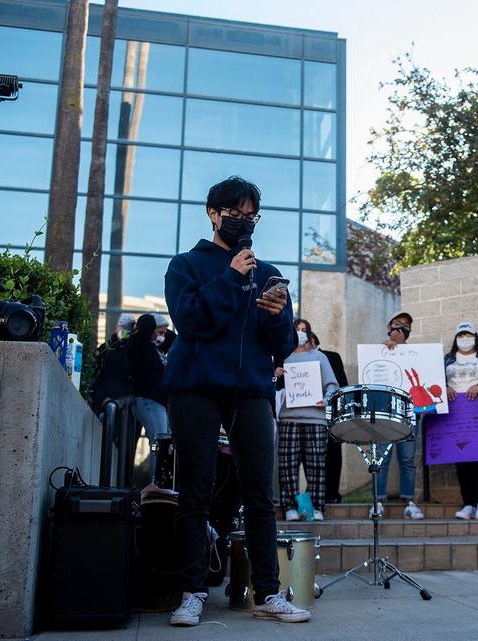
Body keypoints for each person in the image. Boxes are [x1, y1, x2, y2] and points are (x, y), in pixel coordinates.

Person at [163, 176, 310, 626]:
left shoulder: (267, 273)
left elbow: (282, 344)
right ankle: (192, 591)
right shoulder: (186, 265)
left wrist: (277, 316)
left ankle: (267, 591)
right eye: (236, 214)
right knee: (196, 490)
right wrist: (230, 276)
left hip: (250, 390)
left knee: (260, 495)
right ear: (213, 213)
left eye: (252, 216)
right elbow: (191, 323)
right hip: (195, 387)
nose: (244, 223)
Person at [275, 318, 339, 521]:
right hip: (289, 419)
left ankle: (316, 507)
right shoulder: (281, 358)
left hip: (316, 419)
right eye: (297, 329)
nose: (300, 333)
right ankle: (289, 507)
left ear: (309, 335)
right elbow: (271, 385)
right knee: (287, 465)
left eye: (304, 330)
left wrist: (326, 400)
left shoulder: (319, 358)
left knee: (316, 465)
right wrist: (275, 373)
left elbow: (332, 385)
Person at [372, 311, 425, 520]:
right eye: (397, 323)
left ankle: (409, 501)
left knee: (407, 459)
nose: (400, 328)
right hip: (384, 412)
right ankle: (377, 502)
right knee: (381, 459)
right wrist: (383, 351)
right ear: (388, 326)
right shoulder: (378, 351)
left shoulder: (417, 354)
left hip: (409, 413)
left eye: (405, 325)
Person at [443, 321, 478, 520]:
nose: (465, 339)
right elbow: (434, 380)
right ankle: (468, 504)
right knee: (461, 456)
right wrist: (443, 387)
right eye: (460, 335)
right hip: (455, 412)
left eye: (468, 335)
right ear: (455, 339)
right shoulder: (447, 359)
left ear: (475, 336)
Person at [126, 313, 170, 481]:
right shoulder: (140, 345)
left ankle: (161, 484)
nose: (161, 336)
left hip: (159, 402)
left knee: (164, 443)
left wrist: (163, 329)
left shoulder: (156, 349)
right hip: (147, 399)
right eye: (159, 331)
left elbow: (173, 339)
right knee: (159, 443)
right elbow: (144, 330)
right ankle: (156, 483)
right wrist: (152, 323)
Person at [311, 332, 349, 503]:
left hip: (330, 412)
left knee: (333, 452)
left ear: (313, 340)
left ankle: (332, 492)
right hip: (308, 413)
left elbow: (342, 384)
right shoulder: (293, 358)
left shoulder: (332, 357)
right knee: (310, 454)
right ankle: (313, 490)